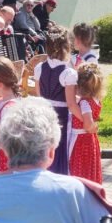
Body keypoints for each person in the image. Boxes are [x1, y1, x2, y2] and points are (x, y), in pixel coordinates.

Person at [34, 24, 83, 175]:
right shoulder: (68, 73)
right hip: (61, 118)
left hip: (44, 115)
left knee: (45, 151)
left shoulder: (39, 67)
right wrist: (86, 121)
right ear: (67, 46)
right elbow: (71, 104)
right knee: (59, 152)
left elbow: (39, 96)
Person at [69, 62, 104, 184]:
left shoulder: (85, 103)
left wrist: (92, 125)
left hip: (81, 141)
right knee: (89, 168)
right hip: (90, 140)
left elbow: (88, 125)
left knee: (80, 171)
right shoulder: (96, 100)